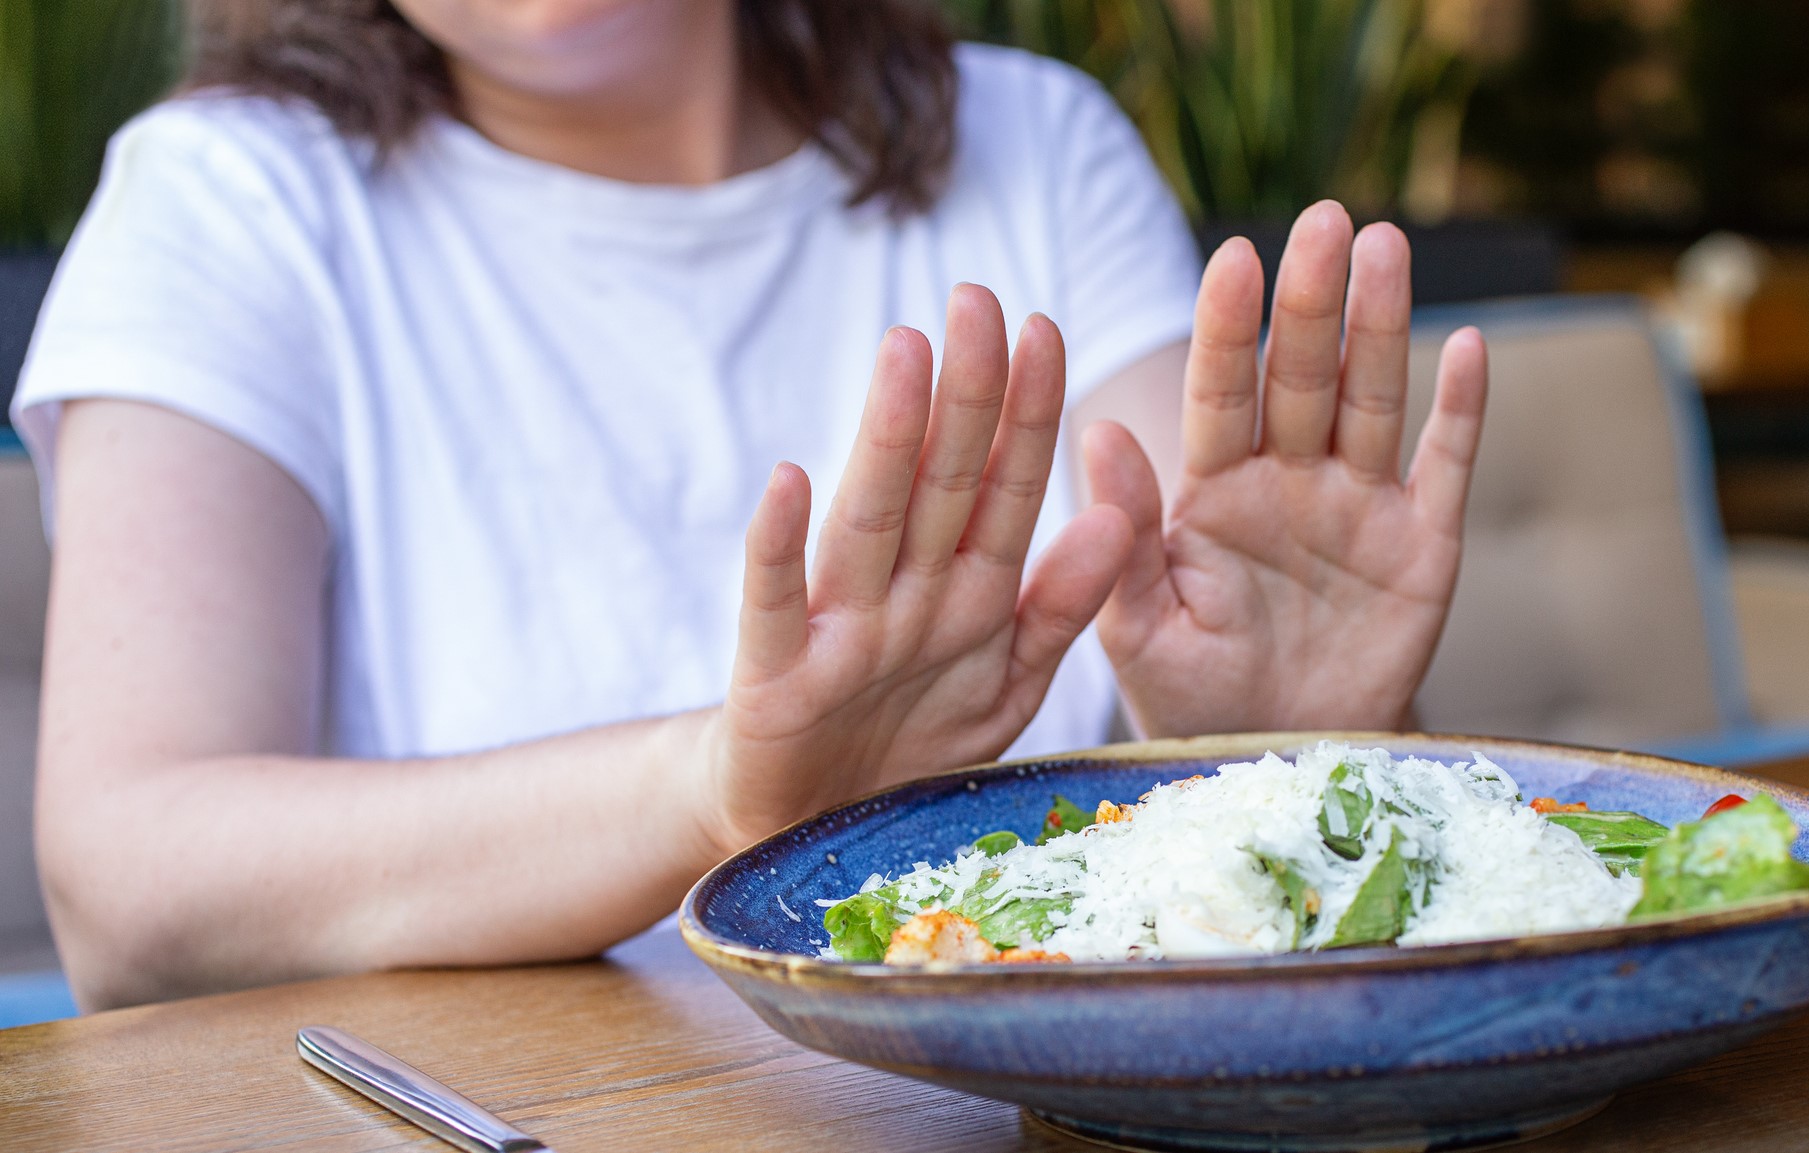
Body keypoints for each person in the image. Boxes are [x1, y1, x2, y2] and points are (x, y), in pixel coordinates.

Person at [10, 0, 1488, 1011]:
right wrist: (713, 789)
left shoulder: (1039, 144)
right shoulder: (226, 198)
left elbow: (1242, 689)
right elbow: (132, 888)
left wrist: (1293, 739)